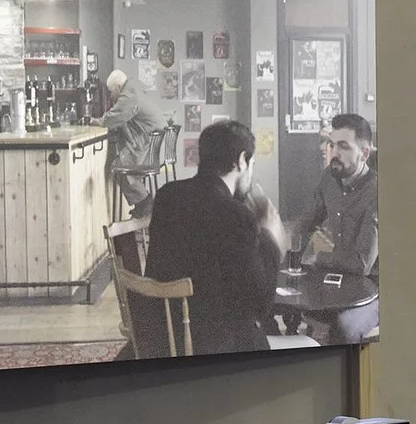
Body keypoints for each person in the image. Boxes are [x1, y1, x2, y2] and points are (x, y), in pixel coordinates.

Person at [141, 119, 285, 354]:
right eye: (252, 164)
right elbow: (259, 304)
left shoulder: (167, 195)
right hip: (213, 345)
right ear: (241, 160)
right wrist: (271, 239)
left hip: (161, 335)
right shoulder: (236, 215)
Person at [293, 111, 380, 344]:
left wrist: (318, 257)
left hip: (374, 288)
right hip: (337, 280)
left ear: (364, 154)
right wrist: (294, 255)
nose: (333, 152)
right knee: (288, 305)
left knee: (345, 327)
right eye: (331, 144)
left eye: (343, 146)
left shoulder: (378, 192)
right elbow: (306, 223)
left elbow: (361, 264)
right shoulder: (329, 179)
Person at [101, 65, 170, 212]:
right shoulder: (134, 89)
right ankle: (143, 202)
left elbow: (110, 119)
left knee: (119, 166)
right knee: (124, 160)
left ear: (118, 87)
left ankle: (144, 203)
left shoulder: (129, 94)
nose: (110, 96)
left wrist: (92, 121)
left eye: (110, 92)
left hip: (150, 146)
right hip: (157, 145)